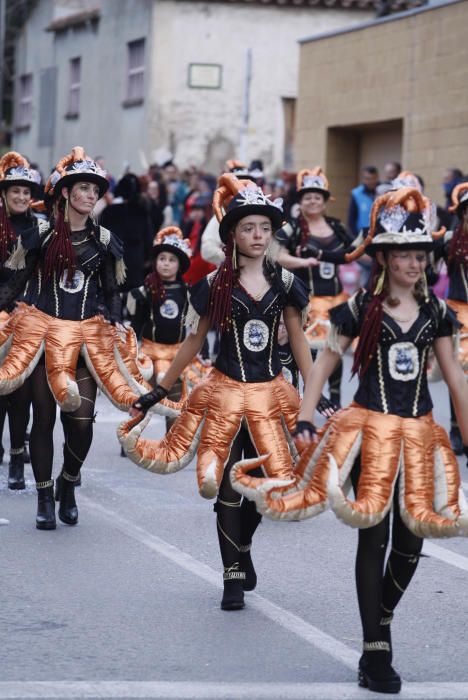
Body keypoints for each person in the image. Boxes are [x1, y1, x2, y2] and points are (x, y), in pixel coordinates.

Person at [231, 186, 468, 694]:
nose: (412, 263)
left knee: (412, 540)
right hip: (370, 430)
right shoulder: (357, 309)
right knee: (374, 532)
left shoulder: (439, 314)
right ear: (383, 257)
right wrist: (306, 416)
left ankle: (381, 618)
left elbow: (455, 380)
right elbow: (324, 365)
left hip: (422, 434)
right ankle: (375, 646)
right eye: (403, 253)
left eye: (420, 254)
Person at [119, 173, 321, 611]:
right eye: (248, 228)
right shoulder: (213, 286)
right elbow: (194, 342)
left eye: (265, 229)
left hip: (271, 393)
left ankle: (242, 546)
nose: (257, 235)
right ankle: (231, 574)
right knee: (229, 481)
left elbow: (299, 340)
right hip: (225, 392)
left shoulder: (286, 284)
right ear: (231, 234)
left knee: (265, 482)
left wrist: (315, 395)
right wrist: (159, 390)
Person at [0, 147, 141, 530]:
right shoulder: (40, 235)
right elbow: (14, 286)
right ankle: (44, 495)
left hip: (84, 343)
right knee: (43, 419)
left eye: (95, 190)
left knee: (81, 423)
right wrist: (10, 311)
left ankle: (68, 483)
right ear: (65, 193)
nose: (91, 196)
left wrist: (114, 320)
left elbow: (112, 292)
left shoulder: (105, 240)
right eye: (83, 189)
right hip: (44, 340)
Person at [276, 167, 353, 406]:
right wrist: (302, 261)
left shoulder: (337, 226)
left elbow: (354, 252)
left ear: (325, 200)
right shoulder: (293, 227)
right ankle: (306, 400)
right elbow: (275, 254)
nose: (312, 201)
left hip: (336, 299)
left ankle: (337, 402)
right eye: (307, 196)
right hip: (306, 300)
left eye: (317, 196)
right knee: (306, 352)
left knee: (336, 351)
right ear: (300, 201)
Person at [0, 151, 41, 488]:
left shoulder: (40, 230)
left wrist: (25, 304)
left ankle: (17, 455)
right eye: (15, 191)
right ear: (4, 193)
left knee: (22, 392)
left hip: (27, 317)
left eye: (27, 192)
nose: (21, 197)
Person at [128, 226, 191, 432]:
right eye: (162, 258)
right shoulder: (146, 290)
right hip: (150, 351)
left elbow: (197, 326)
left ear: (180, 265)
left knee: (173, 395)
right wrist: (132, 349)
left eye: (172, 260)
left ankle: (171, 439)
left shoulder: (187, 292)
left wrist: (205, 352)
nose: (166, 263)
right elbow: (137, 322)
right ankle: (133, 430)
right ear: (155, 262)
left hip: (176, 352)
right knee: (145, 393)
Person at [432, 182, 468, 453]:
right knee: (460, 374)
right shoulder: (449, 240)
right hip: (459, 311)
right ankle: (457, 429)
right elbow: (427, 269)